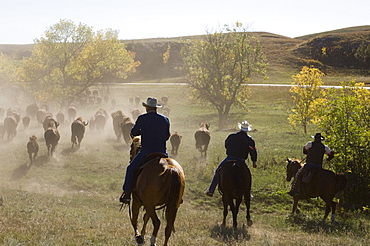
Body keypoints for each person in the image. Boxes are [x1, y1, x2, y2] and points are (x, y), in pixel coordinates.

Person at [120, 97, 170, 204]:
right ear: (156, 108)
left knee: (131, 169)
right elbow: (167, 136)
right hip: (162, 152)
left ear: (147, 107)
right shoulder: (165, 119)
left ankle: (127, 193)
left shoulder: (142, 118)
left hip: (146, 152)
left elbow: (134, 132)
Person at [204, 121, 257, 197]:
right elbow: (253, 151)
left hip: (230, 158)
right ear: (247, 130)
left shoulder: (232, 136)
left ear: (240, 128)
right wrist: (254, 161)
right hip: (241, 160)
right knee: (247, 176)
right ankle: (248, 193)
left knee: (218, 171)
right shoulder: (250, 139)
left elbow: (226, 145)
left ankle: (211, 190)